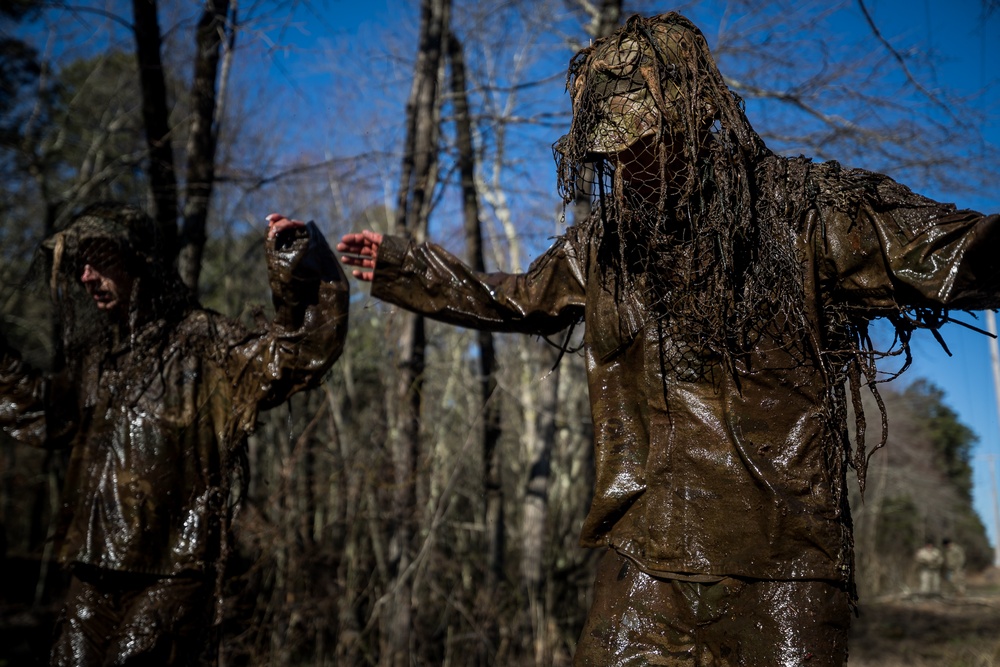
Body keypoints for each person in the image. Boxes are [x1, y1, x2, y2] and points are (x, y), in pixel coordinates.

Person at [338, 12, 999, 666]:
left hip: (784, 566)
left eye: (645, 140)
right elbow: (513, 296)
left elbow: (954, 251)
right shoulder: (607, 245)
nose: (630, 162)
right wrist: (402, 267)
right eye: (613, 148)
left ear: (697, 114)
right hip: (643, 558)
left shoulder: (806, 207)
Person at [1, 203, 349, 666]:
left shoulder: (201, 340)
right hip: (93, 570)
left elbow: (294, 355)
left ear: (137, 260)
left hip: (172, 571)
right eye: (80, 264)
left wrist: (298, 265)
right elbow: (44, 411)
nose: (85, 277)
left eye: (99, 260)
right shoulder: (99, 358)